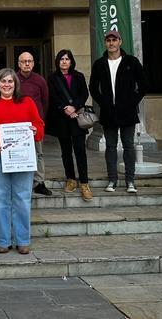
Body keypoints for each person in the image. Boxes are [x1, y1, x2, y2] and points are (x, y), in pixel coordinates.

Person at [0, 68, 45, 255]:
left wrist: (33, 131)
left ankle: (22, 240)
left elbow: (39, 125)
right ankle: (2, 240)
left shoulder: (27, 102)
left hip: (22, 158)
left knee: (22, 198)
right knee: (0, 198)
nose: (7, 85)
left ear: (16, 84)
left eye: (10, 82)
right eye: (3, 81)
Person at [89, 30, 147, 194]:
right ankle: (112, 179)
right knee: (111, 146)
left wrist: (132, 101)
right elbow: (93, 87)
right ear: (105, 43)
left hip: (128, 112)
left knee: (129, 146)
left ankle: (130, 180)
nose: (111, 43)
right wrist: (103, 103)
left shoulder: (131, 61)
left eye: (114, 40)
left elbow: (143, 84)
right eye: (108, 40)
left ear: (120, 42)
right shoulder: (99, 63)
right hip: (109, 112)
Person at [46, 49, 92, 201]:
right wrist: (65, 108)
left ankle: (84, 183)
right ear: (57, 62)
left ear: (71, 61)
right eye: (61, 59)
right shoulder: (52, 78)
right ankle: (71, 179)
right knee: (66, 152)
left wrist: (75, 107)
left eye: (67, 59)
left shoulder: (78, 76)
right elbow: (52, 96)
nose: (64, 61)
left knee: (80, 150)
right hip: (62, 120)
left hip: (77, 118)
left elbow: (84, 94)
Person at [17, 51, 52, 196]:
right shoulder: (13, 79)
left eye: (29, 61)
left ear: (33, 63)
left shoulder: (40, 80)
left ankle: (39, 182)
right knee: (19, 153)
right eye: (23, 61)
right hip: (17, 125)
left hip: (35, 124)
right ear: (18, 64)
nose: (27, 64)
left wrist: (40, 119)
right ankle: (20, 182)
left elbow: (45, 101)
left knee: (38, 153)